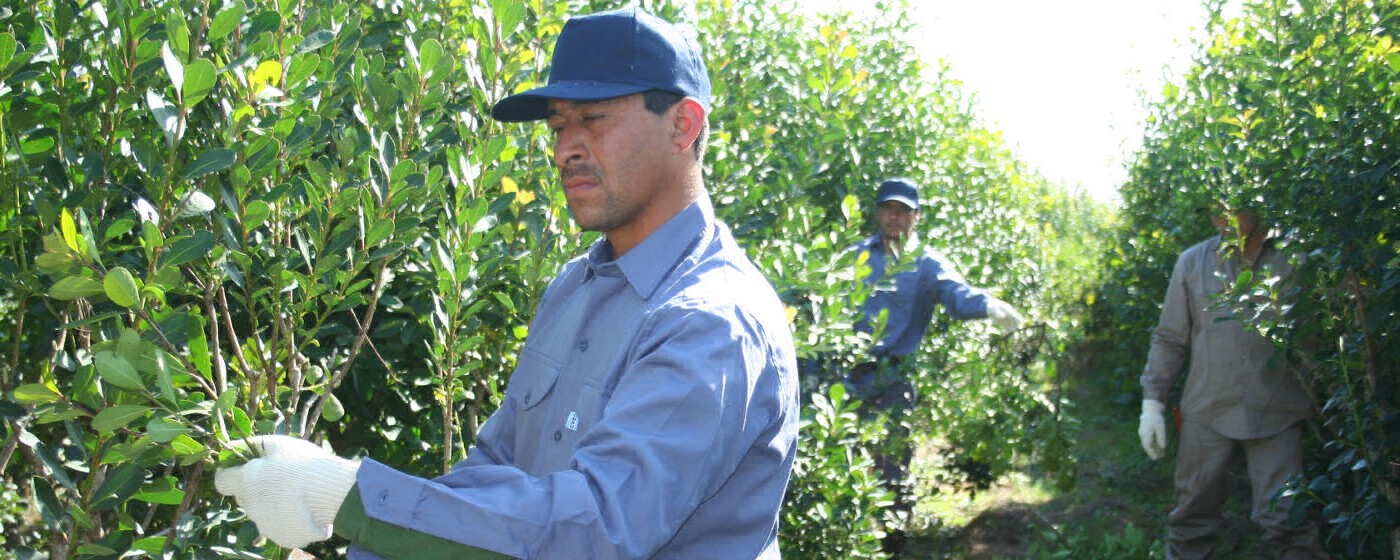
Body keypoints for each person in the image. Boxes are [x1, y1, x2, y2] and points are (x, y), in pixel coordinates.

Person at [214, 8, 799, 559]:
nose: (565, 148)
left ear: (682, 125)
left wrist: (350, 498)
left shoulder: (712, 321)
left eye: (594, 119)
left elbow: (597, 527)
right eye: (558, 125)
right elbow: (496, 472)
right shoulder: (577, 286)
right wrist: (366, 536)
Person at [1137, 207, 1327, 559]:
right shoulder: (1193, 263)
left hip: (1278, 410)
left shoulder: (1296, 258)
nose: (1221, 221)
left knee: (1289, 520)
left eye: (1231, 211)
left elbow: (1326, 330)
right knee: (1191, 516)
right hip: (1207, 410)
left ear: (1255, 206)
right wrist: (1153, 402)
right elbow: (1169, 338)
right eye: (1214, 213)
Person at [846, 177, 1025, 551]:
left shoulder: (927, 265)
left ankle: (895, 546)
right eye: (889, 209)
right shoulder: (855, 256)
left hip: (893, 381)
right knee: (839, 461)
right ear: (878, 213)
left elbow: (957, 295)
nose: (895, 217)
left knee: (892, 467)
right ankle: (839, 544)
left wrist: (990, 306)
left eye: (903, 210)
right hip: (844, 375)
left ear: (916, 217)